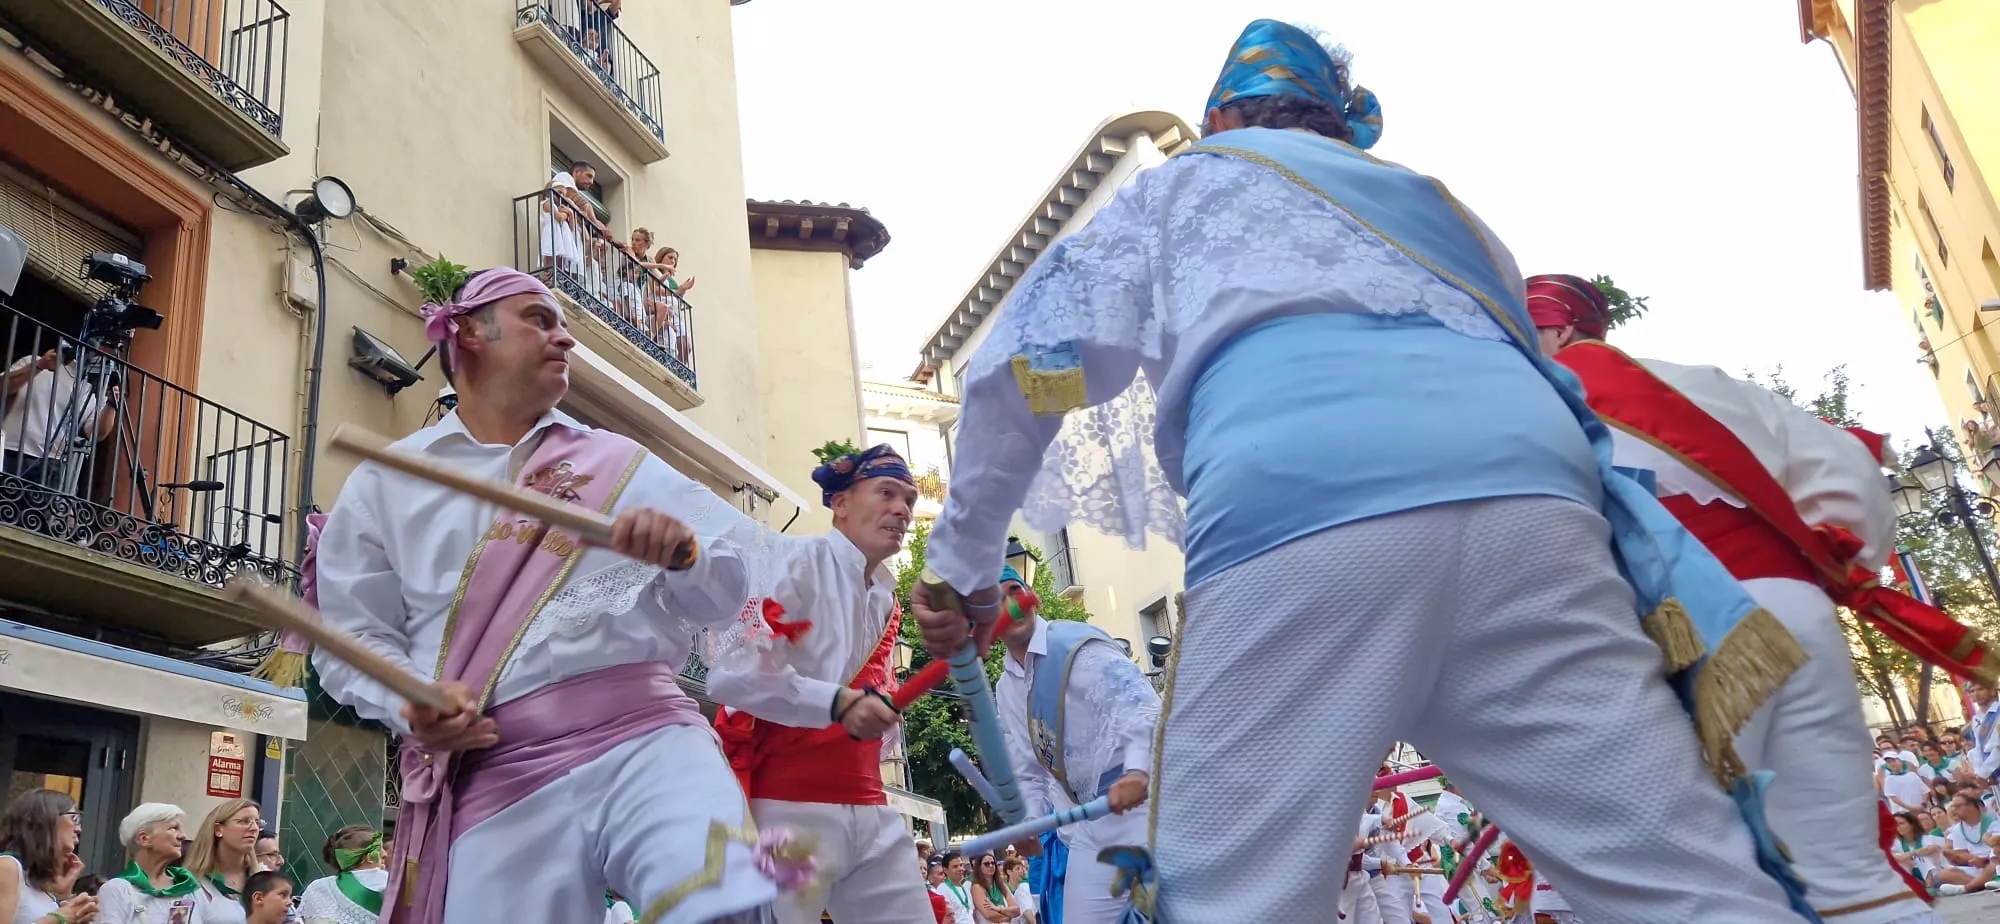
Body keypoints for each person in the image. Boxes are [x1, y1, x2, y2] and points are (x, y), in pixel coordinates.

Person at [912, 18, 1815, 924]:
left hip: (1302, 509)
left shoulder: (1184, 189)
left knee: (1230, 896)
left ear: (1222, 116)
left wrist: (962, 568)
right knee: (1679, 876)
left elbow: (1039, 370)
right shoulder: (1435, 204)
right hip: (1537, 506)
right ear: (1341, 122)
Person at [311, 267, 783, 922]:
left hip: (647, 738)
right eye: (540, 318)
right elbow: (345, 637)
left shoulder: (618, 463)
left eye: (564, 324)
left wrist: (687, 557)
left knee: (717, 903)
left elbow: (728, 599)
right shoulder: (388, 481)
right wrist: (409, 703)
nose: (564, 339)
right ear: (471, 332)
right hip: (494, 770)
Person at [1540, 272, 1990, 923]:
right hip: (1796, 605)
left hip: (1683, 629)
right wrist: (1840, 567)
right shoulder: (1707, 385)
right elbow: (1846, 473)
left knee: (1683, 875)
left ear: (1553, 328)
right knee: (1846, 870)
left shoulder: (1536, 409)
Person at [704, 441, 935, 924]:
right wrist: (839, 702)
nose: (902, 510)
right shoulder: (794, 560)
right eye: (887, 493)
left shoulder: (886, 601)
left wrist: (878, 711)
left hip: (870, 806)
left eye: (909, 501)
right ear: (841, 503)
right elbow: (731, 673)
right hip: (789, 809)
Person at [991, 561, 1156, 924]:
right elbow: (1029, 768)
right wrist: (1030, 822)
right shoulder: (1006, 689)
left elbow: (1142, 708)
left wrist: (1136, 772)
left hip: (1144, 804)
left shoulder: (1078, 649)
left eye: (1015, 591)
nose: (1012, 605)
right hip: (1089, 824)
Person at [0, 790, 96, 924]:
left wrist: (67, 903)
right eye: (74, 818)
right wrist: (57, 919)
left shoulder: (38, 883)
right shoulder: (7, 867)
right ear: (44, 820)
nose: (78, 829)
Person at [96, 803, 202, 924]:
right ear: (144, 839)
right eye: (173, 828)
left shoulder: (189, 888)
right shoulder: (117, 890)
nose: (183, 836)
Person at [186, 799, 263, 924]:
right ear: (218, 830)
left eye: (258, 822)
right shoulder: (191, 884)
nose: (254, 828)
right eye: (244, 821)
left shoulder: (264, 879)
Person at [296, 825, 387, 924]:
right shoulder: (386, 882)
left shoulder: (319, 887)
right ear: (368, 857)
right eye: (379, 849)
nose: (384, 854)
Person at [971, 854, 1022, 923]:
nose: (991, 866)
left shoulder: (1002, 885)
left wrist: (999, 910)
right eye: (986, 864)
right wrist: (1008, 917)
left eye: (993, 863)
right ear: (979, 867)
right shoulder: (977, 887)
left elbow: (1017, 910)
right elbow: (989, 914)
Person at [931, 853, 973, 924]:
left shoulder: (965, 887)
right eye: (955, 867)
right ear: (945, 870)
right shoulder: (943, 889)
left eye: (961, 865)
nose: (960, 869)